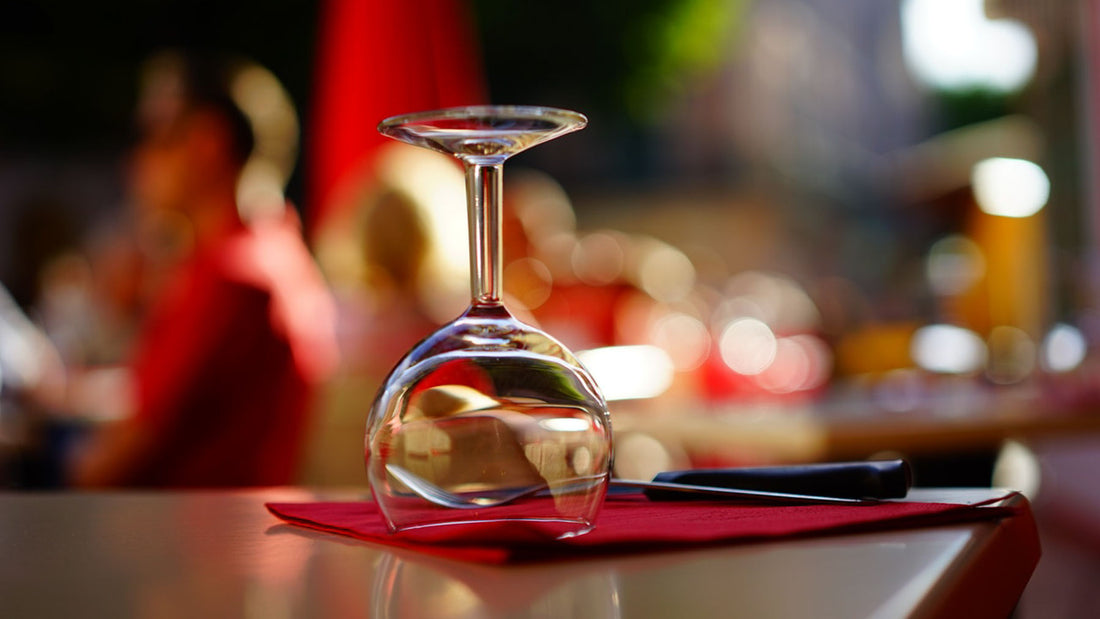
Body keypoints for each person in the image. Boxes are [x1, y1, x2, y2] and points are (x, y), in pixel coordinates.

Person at [69, 51, 338, 487]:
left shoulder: (231, 277)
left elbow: (105, 466)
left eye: (154, 134)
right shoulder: (275, 252)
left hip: (185, 541)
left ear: (207, 142)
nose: (135, 159)